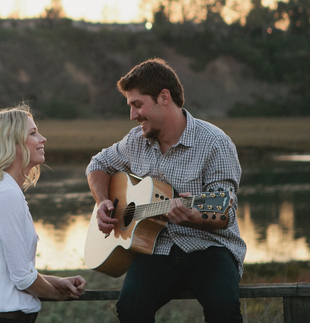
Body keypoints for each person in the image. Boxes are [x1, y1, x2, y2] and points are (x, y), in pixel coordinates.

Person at [86, 59, 246, 323]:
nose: (133, 115)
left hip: (210, 248)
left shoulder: (215, 143)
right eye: (131, 106)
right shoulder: (135, 140)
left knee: (224, 312)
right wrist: (103, 201)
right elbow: (97, 165)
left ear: (164, 97)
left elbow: (224, 212)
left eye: (138, 105)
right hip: (155, 248)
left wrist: (195, 217)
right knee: (130, 310)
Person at [0, 105, 87, 323]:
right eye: (33, 133)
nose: (43, 139)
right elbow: (23, 279)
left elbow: (12, 272)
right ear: (12, 144)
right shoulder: (5, 194)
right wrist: (57, 295)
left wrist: (56, 281)